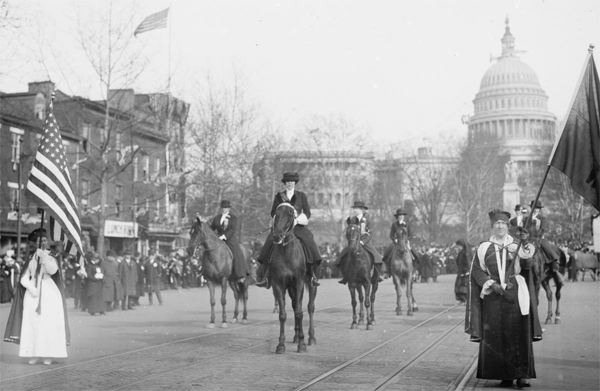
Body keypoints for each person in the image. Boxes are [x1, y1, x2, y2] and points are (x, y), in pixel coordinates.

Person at [466, 209, 541, 388]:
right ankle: (504, 375)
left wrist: (524, 242)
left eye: (504, 224)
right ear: (492, 226)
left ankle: (522, 375)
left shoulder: (516, 245)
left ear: (508, 226)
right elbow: (477, 270)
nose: (500, 226)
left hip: (515, 293)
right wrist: (491, 284)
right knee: (497, 335)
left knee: (518, 334)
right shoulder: (484, 248)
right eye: (497, 223)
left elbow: (527, 263)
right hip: (493, 296)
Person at [3, 228, 69, 365]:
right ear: (36, 243)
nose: (43, 242)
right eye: (40, 240)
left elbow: (53, 270)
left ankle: (48, 354)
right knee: (33, 325)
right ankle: (35, 353)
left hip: (48, 290)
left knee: (47, 323)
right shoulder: (31, 259)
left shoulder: (52, 257)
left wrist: (44, 258)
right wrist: (31, 287)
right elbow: (24, 277)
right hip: (33, 294)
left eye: (45, 240)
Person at [255, 172, 321, 288]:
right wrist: (279, 222)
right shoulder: (278, 196)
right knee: (268, 243)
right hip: (281, 227)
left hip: (297, 226)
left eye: (291, 181)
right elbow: (272, 212)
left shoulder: (301, 195)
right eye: (287, 182)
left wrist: (297, 220)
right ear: (285, 183)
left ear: (295, 183)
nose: (289, 183)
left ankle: (312, 274)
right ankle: (265, 276)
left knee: (309, 241)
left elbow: (307, 212)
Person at [334, 201, 385, 284]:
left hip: (365, 243)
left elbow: (370, 233)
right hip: (354, 243)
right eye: (354, 209)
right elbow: (349, 232)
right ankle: (345, 276)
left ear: (361, 209)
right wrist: (351, 240)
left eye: (356, 208)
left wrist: (362, 241)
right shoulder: (352, 219)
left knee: (377, 257)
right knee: (342, 256)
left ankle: (377, 275)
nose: (355, 210)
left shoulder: (367, 220)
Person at [210, 200, 248, 284]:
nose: (224, 209)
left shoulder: (233, 218)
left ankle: (240, 274)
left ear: (229, 209)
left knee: (236, 252)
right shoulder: (217, 218)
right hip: (218, 239)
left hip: (229, 238)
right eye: (223, 208)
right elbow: (212, 228)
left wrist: (224, 236)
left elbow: (233, 230)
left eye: (226, 208)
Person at [381, 208, 420, 278]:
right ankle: (387, 271)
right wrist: (394, 239)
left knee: (414, 254)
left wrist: (406, 240)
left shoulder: (407, 224)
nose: (401, 216)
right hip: (396, 243)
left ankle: (414, 271)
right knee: (387, 253)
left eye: (402, 215)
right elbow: (391, 235)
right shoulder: (394, 225)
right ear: (397, 216)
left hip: (405, 242)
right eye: (400, 215)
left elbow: (411, 235)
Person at [454, 239, 472, 304]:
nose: (457, 248)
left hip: (465, 273)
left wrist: (466, 271)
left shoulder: (465, 253)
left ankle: (465, 300)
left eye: (458, 246)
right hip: (461, 271)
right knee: (460, 286)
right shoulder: (461, 253)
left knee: (464, 287)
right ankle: (462, 300)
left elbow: (468, 263)